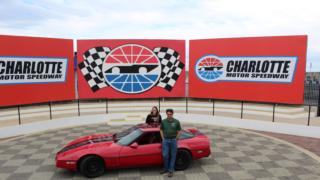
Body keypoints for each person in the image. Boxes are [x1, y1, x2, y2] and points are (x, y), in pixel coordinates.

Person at [160, 109, 181, 178]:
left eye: (170, 114)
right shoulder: (163, 121)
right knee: (165, 155)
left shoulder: (176, 121)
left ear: (172, 114)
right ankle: (166, 168)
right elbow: (161, 129)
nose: (169, 115)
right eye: (168, 114)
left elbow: (179, 130)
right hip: (165, 141)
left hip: (173, 141)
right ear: (166, 114)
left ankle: (170, 170)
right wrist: (163, 138)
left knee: (173, 156)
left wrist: (177, 138)